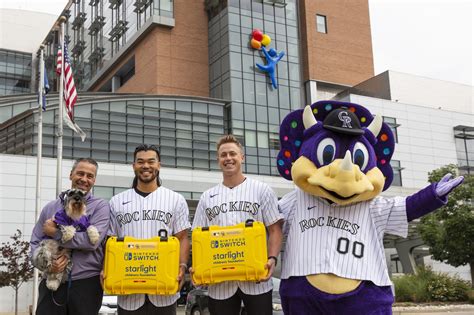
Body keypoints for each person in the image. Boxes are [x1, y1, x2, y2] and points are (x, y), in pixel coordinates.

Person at [192, 135, 283, 315]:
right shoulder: (206, 197)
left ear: (242, 157)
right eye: (223, 155)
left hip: (256, 279)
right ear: (218, 160)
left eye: (232, 154)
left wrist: (272, 258)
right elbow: (197, 238)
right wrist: (198, 267)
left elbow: (275, 229)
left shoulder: (261, 190)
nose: (228, 158)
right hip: (220, 284)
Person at [108, 144, 191, 315]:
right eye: (140, 162)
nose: (146, 166)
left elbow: (182, 237)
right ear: (134, 166)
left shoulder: (175, 199)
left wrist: (182, 266)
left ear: (159, 165)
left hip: (164, 289)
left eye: (151, 161)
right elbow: (110, 241)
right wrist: (106, 268)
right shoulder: (116, 201)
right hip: (128, 290)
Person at [30, 157, 110, 315]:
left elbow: (91, 242)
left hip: (87, 283)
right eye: (80, 173)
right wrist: (46, 264)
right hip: (52, 280)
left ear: (94, 180)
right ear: (71, 175)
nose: (84, 179)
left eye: (89, 176)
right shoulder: (50, 207)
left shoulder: (101, 207)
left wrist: (55, 233)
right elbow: (35, 242)